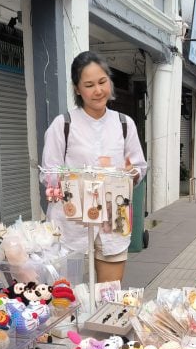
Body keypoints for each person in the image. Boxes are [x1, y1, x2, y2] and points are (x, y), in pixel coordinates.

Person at [41, 51, 147, 283]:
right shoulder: (63, 125)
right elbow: (48, 172)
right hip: (71, 224)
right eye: (89, 85)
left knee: (109, 296)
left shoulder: (124, 124)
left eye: (102, 82)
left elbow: (139, 166)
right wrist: (71, 182)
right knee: (67, 298)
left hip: (114, 220)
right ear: (77, 89)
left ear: (109, 81)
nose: (98, 90)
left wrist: (131, 174)